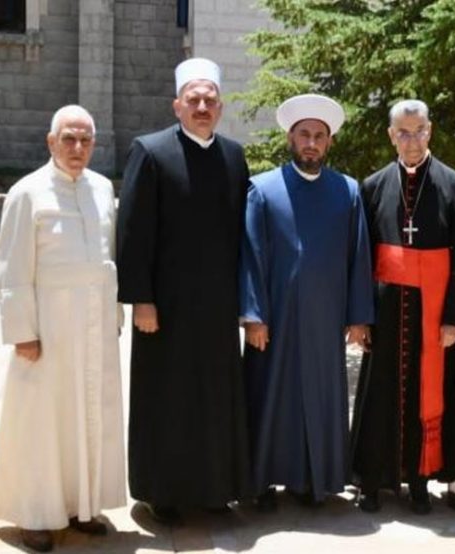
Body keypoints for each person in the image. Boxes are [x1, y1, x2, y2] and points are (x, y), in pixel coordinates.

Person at [116, 58, 250, 524]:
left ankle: (215, 490)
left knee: (215, 398)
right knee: (167, 398)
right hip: (165, 308)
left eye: (210, 100)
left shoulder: (233, 156)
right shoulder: (150, 152)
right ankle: (163, 493)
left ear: (221, 107)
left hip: (217, 307)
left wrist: (245, 301)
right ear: (177, 106)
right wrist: (141, 299)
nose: (202, 107)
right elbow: (132, 231)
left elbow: (243, 235)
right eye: (193, 100)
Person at [0, 105, 124, 552]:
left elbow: (109, 260)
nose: (77, 147)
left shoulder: (102, 188)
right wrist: (22, 331)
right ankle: (35, 515)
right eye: (69, 138)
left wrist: (114, 315)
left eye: (86, 140)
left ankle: (78, 507)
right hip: (47, 329)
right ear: (51, 142)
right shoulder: (27, 193)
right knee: (43, 422)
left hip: (94, 328)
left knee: (87, 417)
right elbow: (12, 268)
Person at [239, 93, 375, 509]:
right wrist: (253, 315)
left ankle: (309, 481)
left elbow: (358, 256)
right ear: (291, 139)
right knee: (270, 397)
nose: (311, 143)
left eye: (319, 136)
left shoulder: (347, 191)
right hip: (274, 318)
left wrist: (358, 317)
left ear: (329, 142)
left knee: (317, 398)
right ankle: (262, 483)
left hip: (324, 316)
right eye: (304, 135)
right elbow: (250, 255)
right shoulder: (262, 189)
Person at [350, 100, 455, 514]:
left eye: (419, 130)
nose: (412, 140)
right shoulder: (372, 186)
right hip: (384, 311)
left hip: (433, 312)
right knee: (379, 394)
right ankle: (371, 481)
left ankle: (419, 481)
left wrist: (454, 318)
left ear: (430, 131)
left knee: (426, 393)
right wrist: (361, 317)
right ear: (391, 136)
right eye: (403, 132)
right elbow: (362, 258)